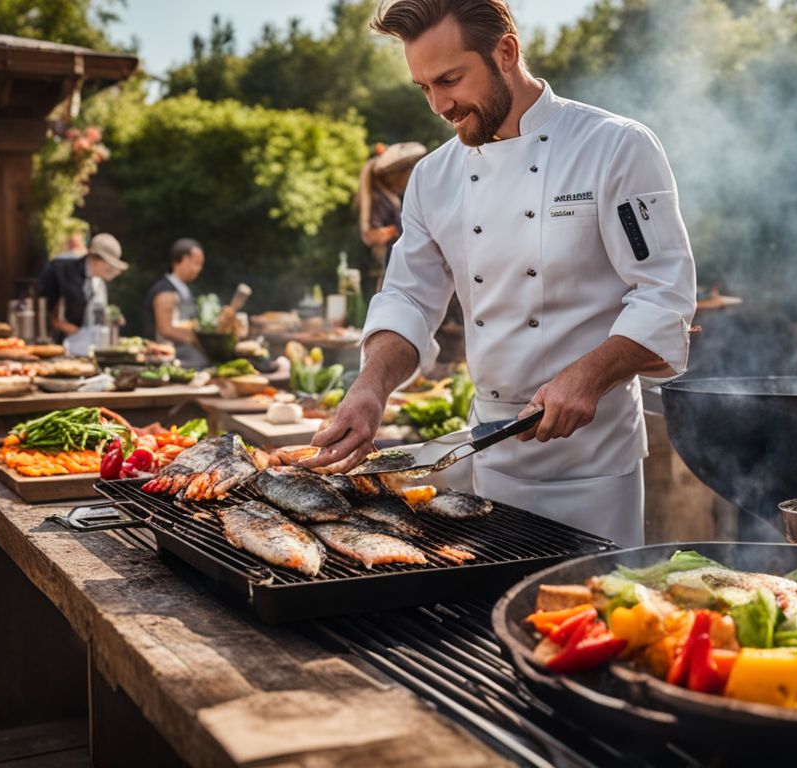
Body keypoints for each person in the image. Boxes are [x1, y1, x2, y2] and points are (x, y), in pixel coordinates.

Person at [304, 0, 697, 546]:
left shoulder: (614, 146)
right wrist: (372, 387)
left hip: (592, 467)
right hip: (487, 454)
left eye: (450, 79)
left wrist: (588, 376)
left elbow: (665, 297)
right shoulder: (432, 178)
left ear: (505, 52)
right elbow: (410, 300)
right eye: (424, 88)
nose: (439, 105)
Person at [37, 231, 127, 355]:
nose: (110, 269)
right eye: (107, 264)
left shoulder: (99, 283)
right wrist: (72, 329)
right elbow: (49, 314)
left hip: (89, 347)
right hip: (61, 346)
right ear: (94, 257)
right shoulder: (63, 272)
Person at [357, 141, 427, 289]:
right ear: (394, 176)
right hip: (393, 269)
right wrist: (396, 231)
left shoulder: (395, 198)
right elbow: (371, 235)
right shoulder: (378, 199)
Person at [143, 238, 209, 368]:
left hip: (183, 349)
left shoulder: (184, 289)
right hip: (166, 352)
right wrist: (196, 340)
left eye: (201, 265)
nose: (199, 269)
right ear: (182, 260)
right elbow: (165, 329)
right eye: (196, 263)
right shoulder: (165, 291)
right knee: (201, 361)